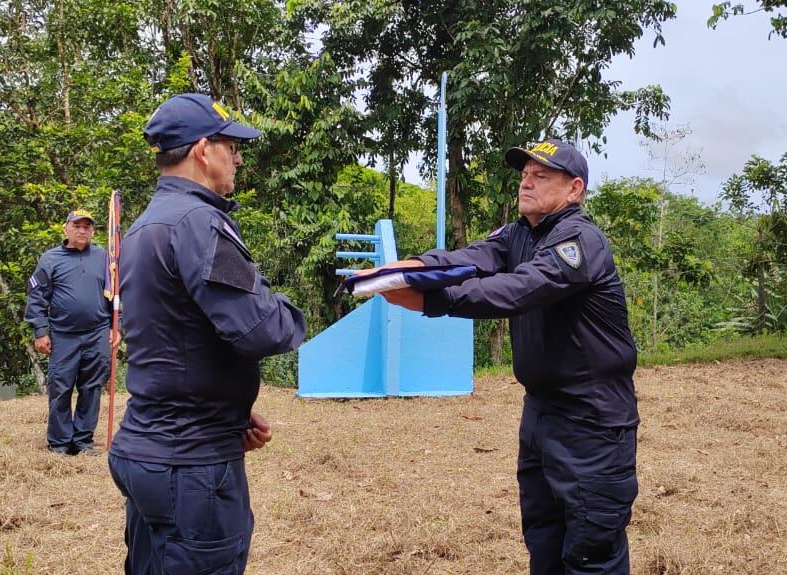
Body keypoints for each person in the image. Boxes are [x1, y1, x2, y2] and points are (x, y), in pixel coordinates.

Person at [366, 138, 640, 575]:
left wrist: (434, 300)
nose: (526, 182)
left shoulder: (580, 240)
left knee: (591, 553)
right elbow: (469, 259)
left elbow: (522, 288)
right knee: (544, 542)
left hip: (591, 422)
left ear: (574, 189)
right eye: (525, 175)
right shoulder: (518, 235)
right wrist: (408, 269)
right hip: (541, 413)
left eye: (541, 176)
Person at [107, 93, 306, 574]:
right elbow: (262, 327)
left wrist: (227, 411)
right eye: (231, 147)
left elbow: (176, 336)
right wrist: (288, 311)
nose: (238, 159)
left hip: (151, 447)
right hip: (190, 465)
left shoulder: (145, 226)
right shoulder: (198, 222)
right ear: (202, 150)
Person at [24, 209, 113, 456]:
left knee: (91, 387)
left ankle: (83, 441)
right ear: (66, 229)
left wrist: (118, 327)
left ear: (93, 231)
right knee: (60, 387)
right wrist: (40, 331)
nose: (82, 231)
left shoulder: (105, 258)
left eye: (87, 227)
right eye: (77, 226)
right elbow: (37, 296)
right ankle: (60, 443)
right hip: (63, 335)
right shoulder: (50, 259)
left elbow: (117, 294)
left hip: (97, 333)